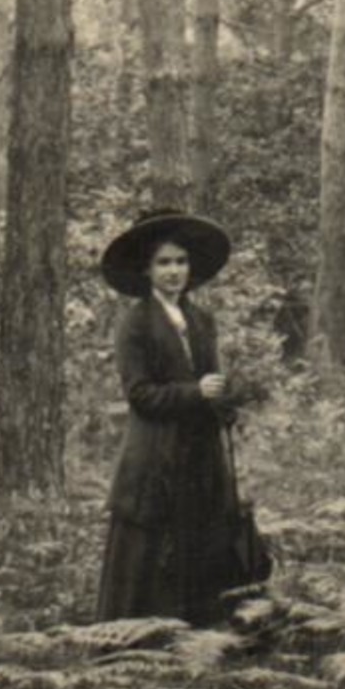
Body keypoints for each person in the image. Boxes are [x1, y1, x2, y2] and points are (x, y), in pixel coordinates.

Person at [95, 209, 249, 625]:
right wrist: (194, 392)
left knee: (200, 544)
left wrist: (225, 400)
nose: (174, 271)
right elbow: (139, 393)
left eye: (180, 261)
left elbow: (209, 380)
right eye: (163, 262)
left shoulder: (201, 320)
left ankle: (198, 639)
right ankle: (134, 640)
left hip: (200, 457)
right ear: (147, 269)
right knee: (150, 550)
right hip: (155, 456)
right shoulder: (136, 322)